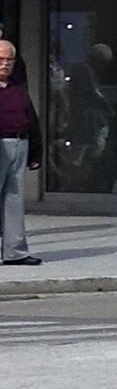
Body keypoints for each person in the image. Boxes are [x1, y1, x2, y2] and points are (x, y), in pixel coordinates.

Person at [0, 40, 37, 265]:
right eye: (0, 59)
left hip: (19, 143)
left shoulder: (18, 86)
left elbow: (32, 118)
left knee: (14, 200)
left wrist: (35, 153)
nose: (5, 64)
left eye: (9, 60)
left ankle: (15, 251)